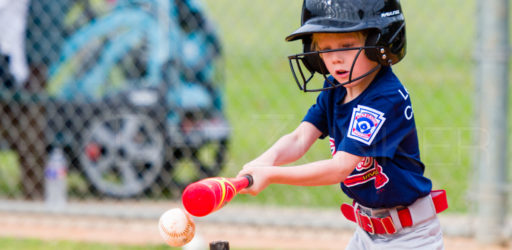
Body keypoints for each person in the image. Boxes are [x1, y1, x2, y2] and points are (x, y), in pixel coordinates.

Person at [236, 0, 447, 249]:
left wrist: (271, 175)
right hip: (365, 234)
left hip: (409, 237)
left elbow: (339, 168)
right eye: (325, 49)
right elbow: (299, 138)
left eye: (347, 46)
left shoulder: (384, 97)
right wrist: (263, 162)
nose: (335, 59)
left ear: (377, 44)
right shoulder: (335, 89)